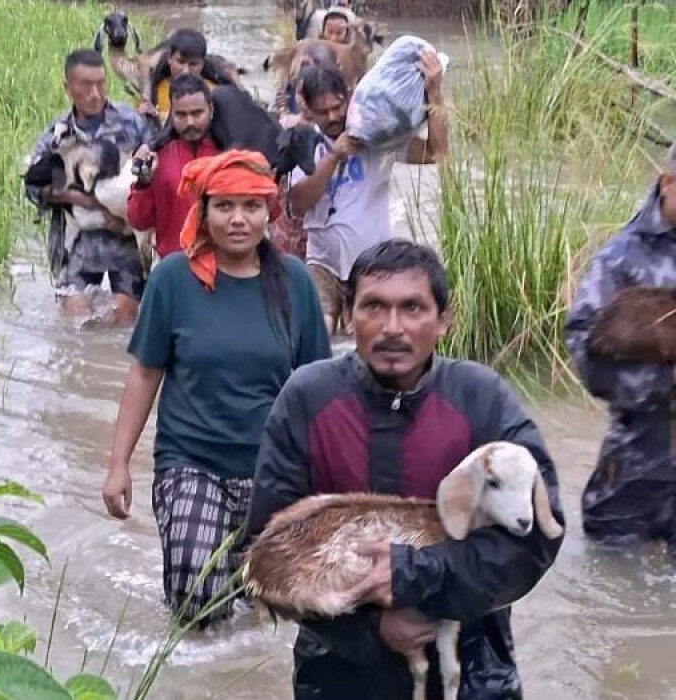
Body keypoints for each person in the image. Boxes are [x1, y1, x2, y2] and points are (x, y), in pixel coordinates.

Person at [246, 239, 564, 699]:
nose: (392, 328)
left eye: (412, 308)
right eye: (374, 306)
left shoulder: (481, 397)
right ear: (349, 315)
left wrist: (416, 578)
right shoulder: (307, 398)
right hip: (339, 664)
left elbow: (538, 536)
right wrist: (375, 625)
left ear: (443, 319)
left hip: (472, 661)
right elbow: (269, 555)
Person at [103, 150, 330, 624]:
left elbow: (318, 389)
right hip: (190, 461)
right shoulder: (171, 278)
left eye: (250, 207)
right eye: (224, 206)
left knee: (268, 611)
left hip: (272, 470)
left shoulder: (295, 284)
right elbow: (145, 374)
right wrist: (119, 464)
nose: (238, 220)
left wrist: (327, 481)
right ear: (202, 211)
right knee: (198, 604)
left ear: (269, 211)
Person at [565, 151, 676, 547]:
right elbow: (585, 354)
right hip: (634, 466)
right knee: (613, 577)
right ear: (667, 183)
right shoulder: (619, 260)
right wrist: (665, 380)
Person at [289, 60, 448, 335]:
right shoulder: (303, 142)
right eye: (322, 112)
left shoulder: (378, 138)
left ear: (349, 97)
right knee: (318, 332)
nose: (332, 117)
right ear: (308, 110)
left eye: (337, 107)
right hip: (322, 262)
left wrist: (434, 93)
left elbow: (437, 153)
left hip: (374, 265)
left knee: (369, 337)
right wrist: (334, 156)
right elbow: (298, 204)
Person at [26, 49, 150, 324]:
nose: (95, 93)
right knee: (76, 324)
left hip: (124, 242)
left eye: (101, 83)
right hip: (74, 245)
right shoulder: (55, 135)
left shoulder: (131, 123)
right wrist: (81, 200)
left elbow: (153, 171)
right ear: (68, 88)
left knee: (125, 319)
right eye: (85, 85)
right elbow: (32, 189)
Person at [128, 74, 220, 259]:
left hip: (222, 268)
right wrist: (143, 185)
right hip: (175, 268)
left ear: (210, 110)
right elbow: (139, 221)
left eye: (197, 113)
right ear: (171, 114)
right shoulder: (157, 158)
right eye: (181, 115)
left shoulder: (227, 154)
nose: (190, 122)